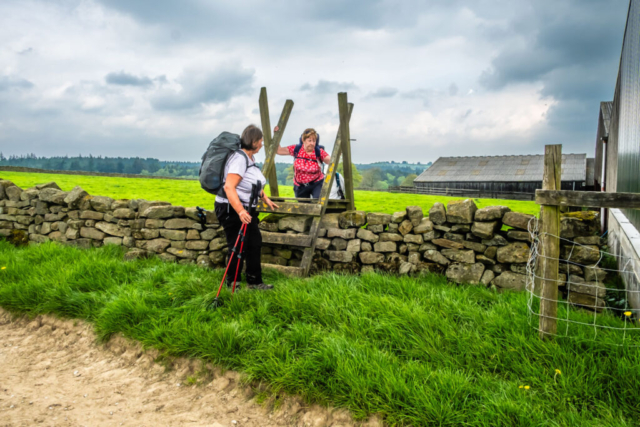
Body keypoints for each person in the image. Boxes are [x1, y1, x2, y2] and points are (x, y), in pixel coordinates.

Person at [215, 124, 278, 290]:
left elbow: (252, 182)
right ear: (254, 141)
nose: (262, 144)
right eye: (261, 140)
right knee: (237, 247)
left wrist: (265, 197)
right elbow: (229, 187)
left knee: (254, 244)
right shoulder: (239, 159)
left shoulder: (249, 159)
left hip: (247, 208)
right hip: (231, 209)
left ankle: (254, 282)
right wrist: (240, 211)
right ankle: (232, 284)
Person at [274, 127, 331, 198]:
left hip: (317, 183)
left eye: (314, 141)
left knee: (318, 204)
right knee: (303, 207)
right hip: (300, 186)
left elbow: (331, 161)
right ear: (303, 140)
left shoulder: (318, 152)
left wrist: (336, 155)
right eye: (309, 141)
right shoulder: (296, 149)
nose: (312, 143)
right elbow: (278, 150)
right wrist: (276, 135)